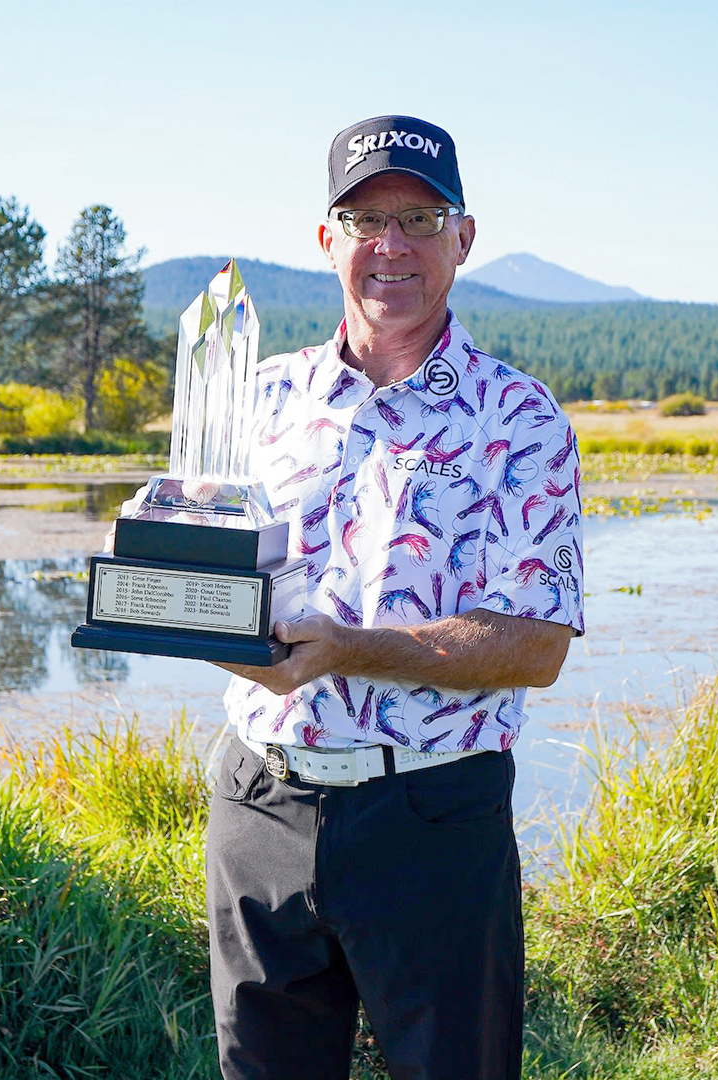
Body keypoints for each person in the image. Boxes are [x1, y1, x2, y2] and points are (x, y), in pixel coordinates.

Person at [200, 115, 586, 1080]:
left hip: (433, 822)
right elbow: (208, 579)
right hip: (259, 805)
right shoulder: (261, 398)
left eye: (420, 217)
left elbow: (536, 646)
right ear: (327, 240)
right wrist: (200, 618)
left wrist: (343, 648)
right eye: (365, 218)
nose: (392, 245)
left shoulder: (519, 417)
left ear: (463, 237)